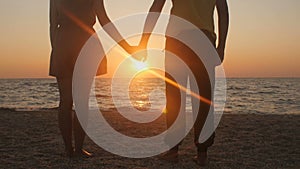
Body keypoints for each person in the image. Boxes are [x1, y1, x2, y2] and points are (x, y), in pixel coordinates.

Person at [136, 0, 229, 166]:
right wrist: (221, 45)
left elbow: (156, 8)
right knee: (204, 98)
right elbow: (223, 11)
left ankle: (173, 150)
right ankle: (202, 153)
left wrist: (144, 41)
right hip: (203, 40)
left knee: (174, 98)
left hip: (177, 40)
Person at [49, 0, 136, 157]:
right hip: (86, 42)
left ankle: (69, 149)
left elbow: (52, 24)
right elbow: (105, 21)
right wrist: (126, 47)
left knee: (65, 101)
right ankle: (78, 149)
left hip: (63, 43)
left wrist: (56, 50)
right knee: (81, 102)